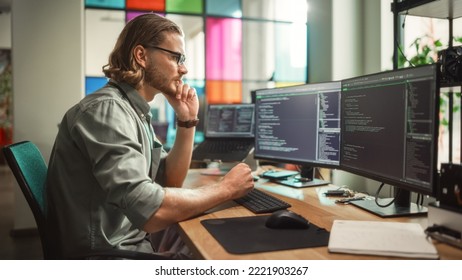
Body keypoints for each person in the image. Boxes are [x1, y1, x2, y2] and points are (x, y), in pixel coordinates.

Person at [46, 13, 254, 259]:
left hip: (128, 240)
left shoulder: (133, 111)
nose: (184, 68)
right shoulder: (107, 111)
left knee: (215, 237)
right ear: (141, 56)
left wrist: (187, 121)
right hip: (108, 255)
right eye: (175, 57)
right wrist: (225, 189)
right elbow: (149, 211)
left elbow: (169, 179)